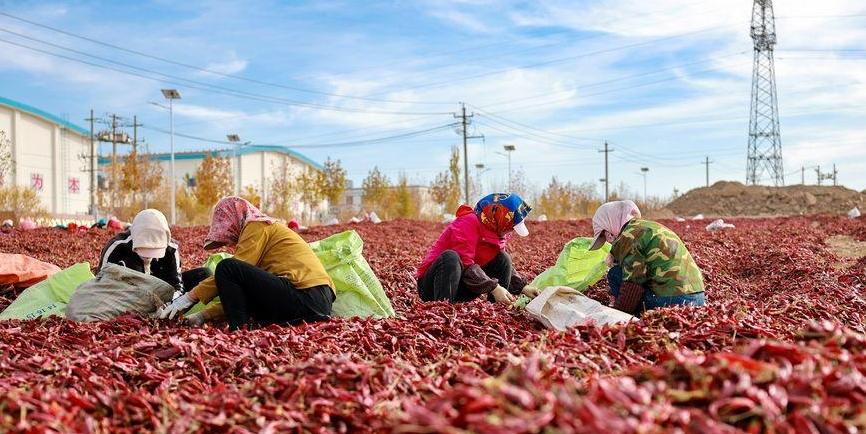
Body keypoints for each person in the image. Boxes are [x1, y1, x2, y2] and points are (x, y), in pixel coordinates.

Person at [158, 197, 335, 330]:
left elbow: (232, 271)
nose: (230, 242)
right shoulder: (265, 232)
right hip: (316, 302)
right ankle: (241, 328)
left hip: (306, 295)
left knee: (227, 267)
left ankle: (239, 331)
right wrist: (203, 315)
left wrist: (189, 297)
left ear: (232, 219)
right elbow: (241, 293)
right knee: (238, 278)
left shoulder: (257, 226)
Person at [589, 200, 705, 315]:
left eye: (605, 234)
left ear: (609, 227)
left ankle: (631, 313)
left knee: (615, 274)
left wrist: (618, 314)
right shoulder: (647, 226)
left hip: (676, 301)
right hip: (698, 297)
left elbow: (633, 284)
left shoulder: (628, 236)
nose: (609, 239)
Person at [416, 193, 533, 305]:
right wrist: (494, 287)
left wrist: (522, 287)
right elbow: (465, 262)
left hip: (462, 285)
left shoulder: (496, 230)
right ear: (501, 217)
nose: (510, 231)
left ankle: (497, 308)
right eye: (511, 227)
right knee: (451, 257)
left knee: (503, 258)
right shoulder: (468, 222)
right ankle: (443, 309)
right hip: (433, 286)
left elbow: (502, 266)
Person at [98, 209, 211, 294]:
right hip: (128, 291)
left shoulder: (171, 249)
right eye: (145, 251)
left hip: (161, 286)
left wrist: (173, 303)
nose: (149, 258)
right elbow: (102, 283)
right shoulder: (117, 246)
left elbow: (176, 284)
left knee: (205, 274)